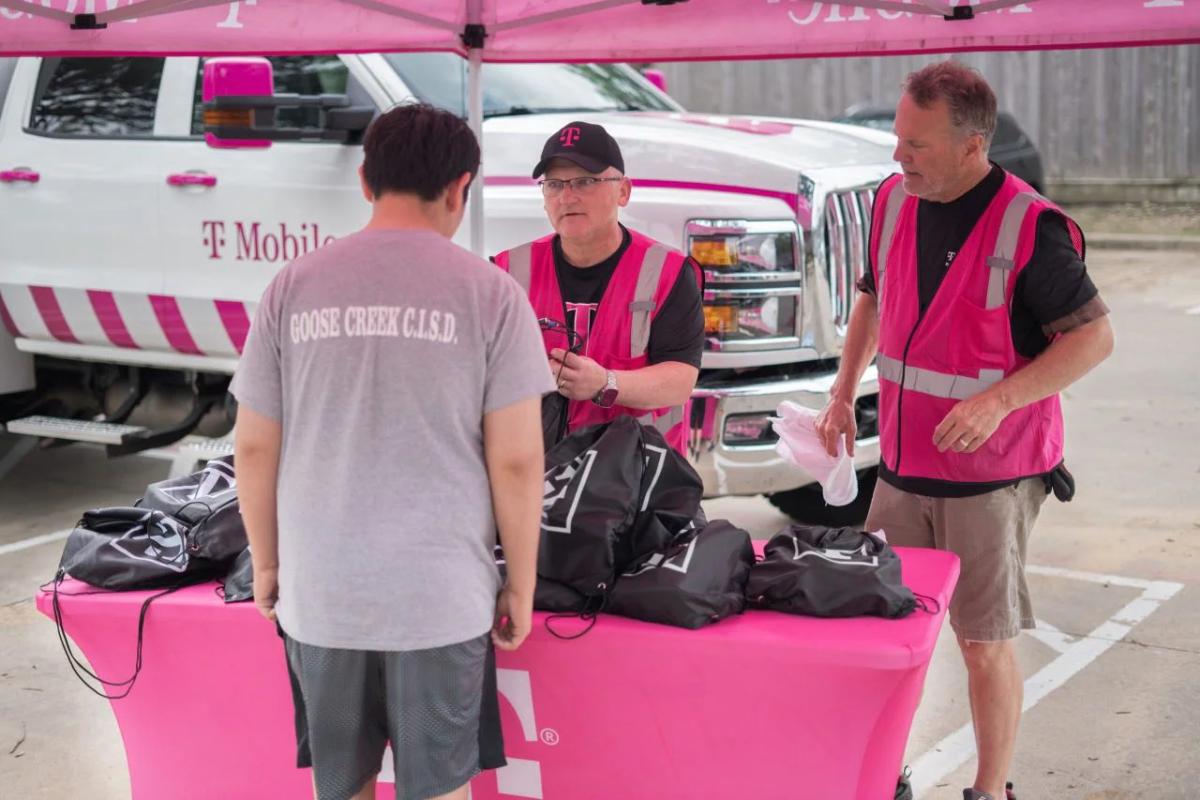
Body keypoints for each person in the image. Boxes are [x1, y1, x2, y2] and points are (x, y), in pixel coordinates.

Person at [232, 103, 553, 800]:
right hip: (439, 600)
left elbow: (254, 447)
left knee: (340, 788)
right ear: (459, 188)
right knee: (437, 791)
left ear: (365, 181)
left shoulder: (292, 286)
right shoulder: (492, 296)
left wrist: (267, 564)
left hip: (322, 595)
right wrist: (520, 584)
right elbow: (518, 460)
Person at [816, 62, 1114, 800]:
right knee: (887, 636)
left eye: (914, 144)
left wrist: (998, 402)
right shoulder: (893, 201)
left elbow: (1094, 339)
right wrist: (843, 389)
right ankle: (888, 775)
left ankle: (989, 791)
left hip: (991, 477)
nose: (896, 156)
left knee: (982, 644)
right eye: (897, 138)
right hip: (901, 468)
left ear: (972, 145)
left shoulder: (1030, 226)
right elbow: (871, 298)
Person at [492, 121, 705, 453]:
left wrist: (605, 383)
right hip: (536, 475)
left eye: (585, 181)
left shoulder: (667, 272)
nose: (567, 196)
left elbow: (680, 380)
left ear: (623, 191)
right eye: (554, 184)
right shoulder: (507, 272)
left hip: (639, 478)